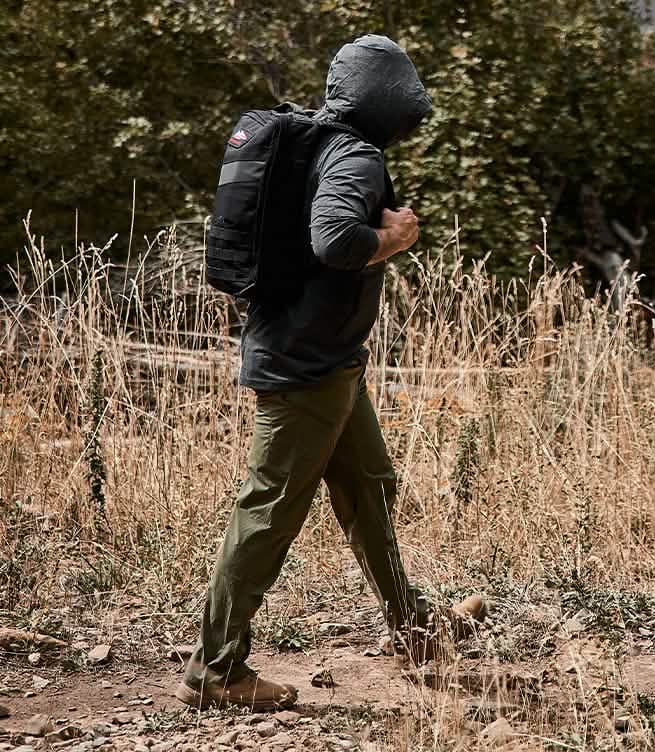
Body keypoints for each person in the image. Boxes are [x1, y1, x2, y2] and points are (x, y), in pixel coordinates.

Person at [177, 34, 484, 711]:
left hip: (324, 358)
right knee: (267, 513)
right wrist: (394, 239)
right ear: (390, 102)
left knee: (369, 485)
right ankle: (215, 671)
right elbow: (336, 240)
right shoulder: (355, 156)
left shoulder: (315, 139)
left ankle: (412, 628)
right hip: (305, 367)